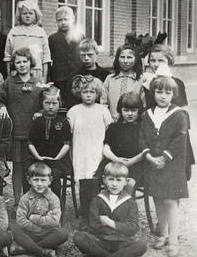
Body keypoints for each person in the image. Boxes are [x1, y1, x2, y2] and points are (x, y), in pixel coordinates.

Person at [139, 76, 189, 257]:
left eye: (168, 92)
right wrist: (149, 156)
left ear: (173, 94)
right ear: (153, 93)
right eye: (159, 92)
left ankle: (174, 240)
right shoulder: (147, 114)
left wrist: (164, 157)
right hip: (152, 161)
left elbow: (180, 138)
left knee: (170, 200)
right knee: (158, 198)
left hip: (172, 163)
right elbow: (142, 136)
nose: (163, 96)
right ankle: (163, 234)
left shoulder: (179, 114)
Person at [73, 162, 147, 257]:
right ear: (104, 180)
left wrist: (110, 223)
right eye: (111, 179)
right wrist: (119, 227)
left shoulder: (130, 202)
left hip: (121, 242)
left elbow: (132, 228)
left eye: (119, 180)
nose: (114, 184)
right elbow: (94, 225)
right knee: (78, 237)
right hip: (100, 240)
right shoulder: (97, 200)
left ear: (126, 182)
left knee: (141, 246)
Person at [0, 47, 42, 217]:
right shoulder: (9, 82)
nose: (22, 65)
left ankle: (29, 203)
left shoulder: (38, 82)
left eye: (25, 61)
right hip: (16, 132)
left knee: (30, 169)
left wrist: (42, 113)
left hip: (32, 134)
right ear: (14, 64)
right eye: (18, 62)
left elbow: (46, 102)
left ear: (30, 63)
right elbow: (0, 99)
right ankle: (17, 202)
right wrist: (2, 108)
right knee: (17, 167)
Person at [67, 75, 113, 230]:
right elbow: (69, 133)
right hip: (81, 152)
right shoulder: (74, 111)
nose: (88, 95)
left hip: (97, 152)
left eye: (92, 92)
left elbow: (110, 132)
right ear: (79, 93)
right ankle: (85, 216)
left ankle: (98, 216)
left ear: (97, 93)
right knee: (84, 184)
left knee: (96, 184)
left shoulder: (102, 111)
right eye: (85, 91)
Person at [144, 44, 194, 181]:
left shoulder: (176, 83)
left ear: (169, 62)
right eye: (153, 60)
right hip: (155, 136)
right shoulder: (148, 83)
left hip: (173, 134)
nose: (156, 64)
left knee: (174, 176)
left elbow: (183, 111)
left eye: (161, 61)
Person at [9, 162, 69, 257]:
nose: (39, 184)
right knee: (12, 227)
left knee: (63, 233)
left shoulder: (54, 199)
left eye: (43, 180)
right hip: (29, 234)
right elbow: (20, 220)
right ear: (29, 180)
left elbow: (54, 221)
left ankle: (25, 249)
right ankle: (42, 252)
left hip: (47, 234)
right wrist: (42, 224)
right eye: (36, 180)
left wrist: (33, 218)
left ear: (50, 181)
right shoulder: (25, 198)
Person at [26, 86, 71, 200]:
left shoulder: (63, 122)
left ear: (59, 103)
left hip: (57, 160)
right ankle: (29, 202)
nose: (50, 107)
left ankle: (54, 205)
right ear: (42, 103)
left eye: (54, 103)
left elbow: (67, 144)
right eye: (47, 103)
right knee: (27, 170)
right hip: (37, 158)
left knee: (54, 174)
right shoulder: (37, 121)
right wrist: (37, 156)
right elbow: (30, 142)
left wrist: (56, 158)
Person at [98, 92, 144, 195]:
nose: (130, 114)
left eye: (133, 110)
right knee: (100, 179)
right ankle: (107, 205)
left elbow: (145, 150)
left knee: (129, 183)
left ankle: (124, 207)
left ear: (139, 110)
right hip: (114, 163)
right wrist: (116, 159)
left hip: (135, 164)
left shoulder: (143, 128)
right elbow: (106, 148)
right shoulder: (114, 127)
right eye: (126, 110)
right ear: (120, 110)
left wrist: (131, 161)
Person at [4, 0, 50, 82]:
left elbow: (46, 57)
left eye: (31, 13)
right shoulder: (13, 32)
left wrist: (44, 77)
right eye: (24, 13)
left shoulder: (41, 32)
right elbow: (7, 56)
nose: (27, 16)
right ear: (19, 15)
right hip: (17, 71)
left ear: (36, 15)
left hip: (36, 71)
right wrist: (8, 76)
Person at [101, 44, 144, 121]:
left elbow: (143, 105)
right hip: (112, 123)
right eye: (122, 57)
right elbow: (103, 103)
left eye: (129, 57)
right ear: (117, 58)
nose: (125, 61)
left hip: (134, 124)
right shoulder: (109, 79)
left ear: (136, 59)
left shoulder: (141, 80)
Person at [48, 6, 85, 95]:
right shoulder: (53, 38)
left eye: (66, 19)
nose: (63, 23)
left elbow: (84, 55)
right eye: (60, 20)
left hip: (77, 76)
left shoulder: (80, 36)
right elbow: (49, 59)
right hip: (59, 77)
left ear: (73, 19)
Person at [65, 38, 110, 109]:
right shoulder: (74, 76)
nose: (86, 58)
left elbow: (108, 97)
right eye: (83, 55)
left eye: (90, 55)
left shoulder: (106, 75)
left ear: (96, 54)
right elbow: (69, 98)